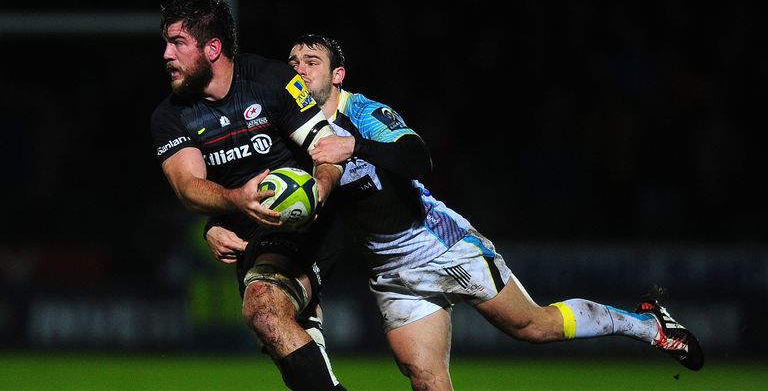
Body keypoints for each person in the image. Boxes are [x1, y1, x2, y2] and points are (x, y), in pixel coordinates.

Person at [208, 34, 704, 390]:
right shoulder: (295, 134)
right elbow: (259, 181)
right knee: (426, 378)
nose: (297, 69)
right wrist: (220, 223)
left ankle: (650, 326)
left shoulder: (363, 112)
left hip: (442, 244)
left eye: (310, 61)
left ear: (337, 75)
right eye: (292, 61)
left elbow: (416, 157)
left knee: (533, 327)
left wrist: (354, 146)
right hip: (392, 272)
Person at [150, 0, 347, 391]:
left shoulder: (272, 81)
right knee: (280, 333)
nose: (166, 55)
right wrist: (232, 204)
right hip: (251, 234)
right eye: (166, 43)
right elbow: (188, 187)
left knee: (263, 309)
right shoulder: (170, 116)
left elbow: (327, 151)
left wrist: (317, 192)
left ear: (213, 48)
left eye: (178, 43)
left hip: (308, 222)